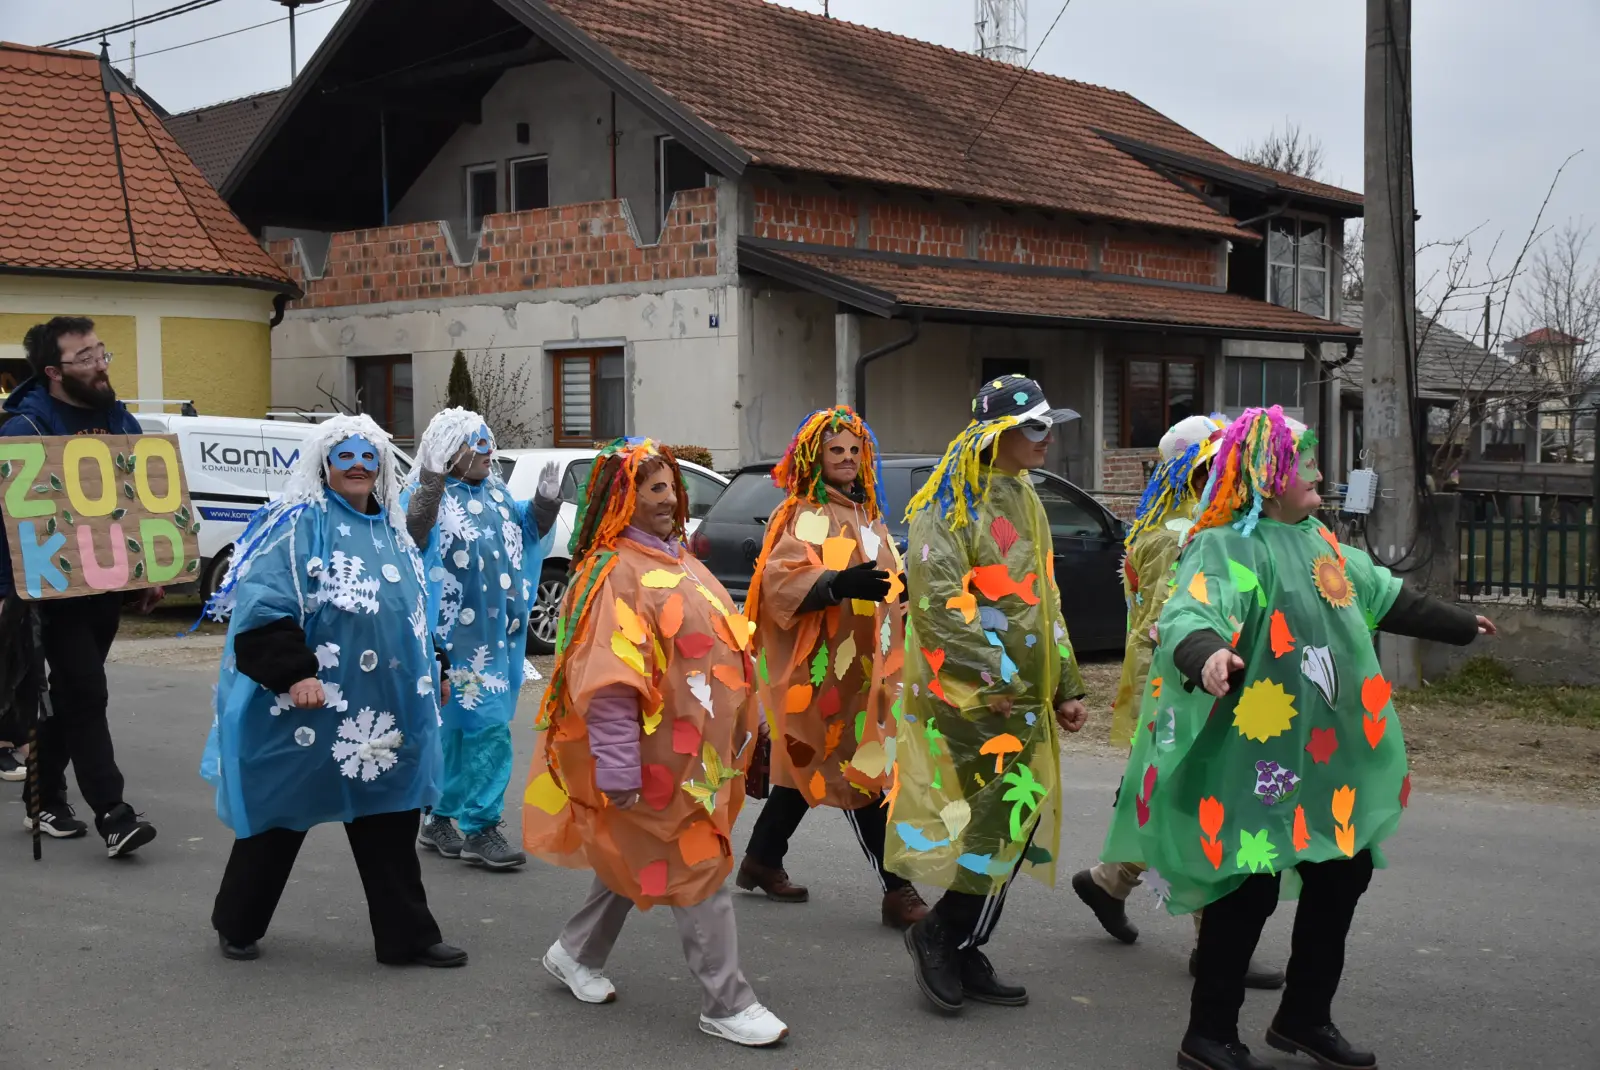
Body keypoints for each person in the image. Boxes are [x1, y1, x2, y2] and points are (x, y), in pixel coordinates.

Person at [1099, 406, 1494, 1070]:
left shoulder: (1320, 542)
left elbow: (1384, 596)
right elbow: (1192, 611)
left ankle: (1304, 1017)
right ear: (1267, 474)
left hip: (1320, 758)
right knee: (1246, 885)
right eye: (1303, 460)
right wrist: (1208, 655)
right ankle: (1208, 1033)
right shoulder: (1225, 544)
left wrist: (1459, 624)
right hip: (1250, 760)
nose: (1317, 471)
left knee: (1345, 870)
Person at [523, 439, 787, 1047]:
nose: (670, 498)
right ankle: (727, 1001)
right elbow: (609, 681)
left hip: (697, 755)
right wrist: (618, 767)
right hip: (655, 762)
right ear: (622, 497)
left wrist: (757, 718)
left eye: (671, 487)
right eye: (654, 489)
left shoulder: (674, 558)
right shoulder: (615, 573)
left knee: (635, 858)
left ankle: (573, 952)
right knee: (700, 868)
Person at [201, 415, 464, 968]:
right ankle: (238, 921)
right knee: (279, 813)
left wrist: (436, 664)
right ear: (324, 462)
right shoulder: (299, 524)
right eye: (345, 456)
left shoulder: (392, 530)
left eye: (369, 457)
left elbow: (412, 611)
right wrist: (294, 672)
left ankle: (407, 938)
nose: (358, 466)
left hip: (386, 708)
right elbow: (265, 604)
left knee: (391, 813)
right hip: (308, 705)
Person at [888, 374, 1089, 1014]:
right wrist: (997, 675)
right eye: (1033, 426)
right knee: (992, 823)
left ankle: (960, 938)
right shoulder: (945, 507)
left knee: (1011, 823)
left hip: (1027, 697)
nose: (1047, 437)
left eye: (1049, 424)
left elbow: (1044, 598)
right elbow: (939, 607)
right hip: (974, 701)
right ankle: (942, 935)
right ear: (995, 434)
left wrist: (1066, 683)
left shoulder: (1025, 496)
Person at [1070, 416, 1285, 990]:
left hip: (1193, 682)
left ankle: (1109, 881)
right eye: (1218, 461)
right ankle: (1210, 940)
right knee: (1197, 803)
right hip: (1180, 685)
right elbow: (1174, 622)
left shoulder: (1188, 525)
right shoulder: (1179, 535)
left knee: (1170, 797)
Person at [735, 406, 927, 928]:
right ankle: (899, 889)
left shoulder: (868, 515)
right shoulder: (800, 514)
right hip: (818, 671)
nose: (845, 458)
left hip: (864, 670)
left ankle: (761, 859)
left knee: (808, 770)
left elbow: (888, 579)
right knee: (860, 773)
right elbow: (778, 581)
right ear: (815, 458)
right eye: (835, 450)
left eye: (853, 450)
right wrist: (834, 585)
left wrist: (902, 592)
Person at [3, 317, 158, 856]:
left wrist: (151, 574)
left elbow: (139, 507)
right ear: (52, 371)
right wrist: (10, 592)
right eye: (85, 358)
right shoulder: (25, 430)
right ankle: (114, 815)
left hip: (107, 587)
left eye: (101, 353)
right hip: (49, 593)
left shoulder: (121, 421)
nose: (100, 365)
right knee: (88, 692)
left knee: (74, 695)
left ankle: (42, 798)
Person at [404, 408, 557, 869]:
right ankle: (457, 821)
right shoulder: (428, 494)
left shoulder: (494, 491)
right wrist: (431, 484)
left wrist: (545, 504)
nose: (489, 451)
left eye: (490, 441)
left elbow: (526, 532)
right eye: (478, 443)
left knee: (487, 728)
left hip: (493, 640)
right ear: (451, 451)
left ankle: (470, 821)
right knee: (453, 731)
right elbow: (414, 533)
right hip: (448, 641)